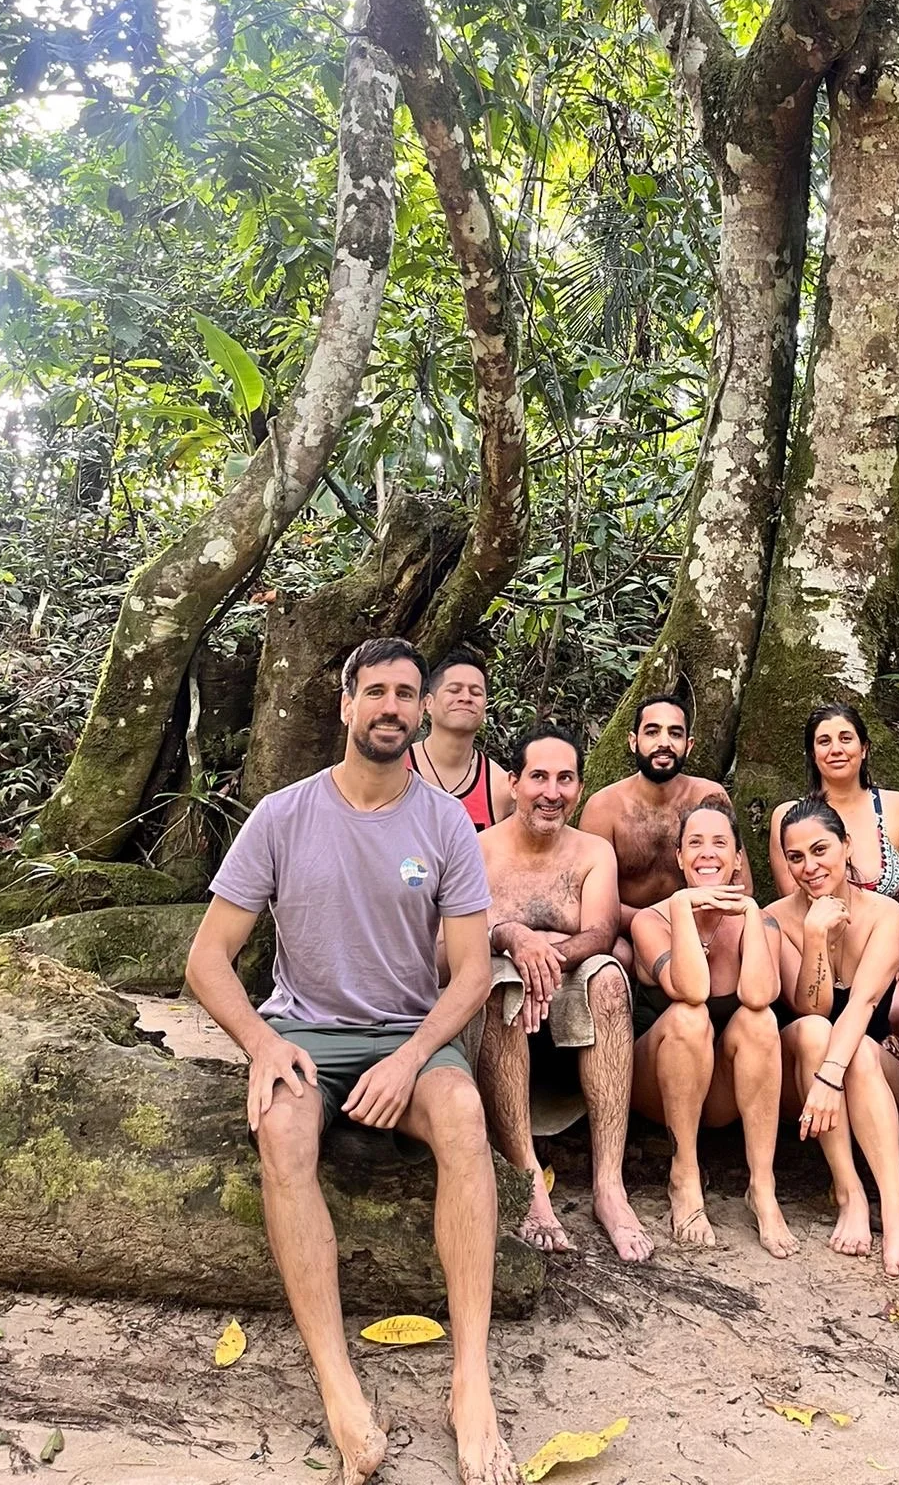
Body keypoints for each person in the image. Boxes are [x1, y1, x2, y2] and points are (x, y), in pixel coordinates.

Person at [185, 636, 517, 1485]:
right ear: (345, 705)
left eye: (407, 694)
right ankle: (339, 1387)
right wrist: (262, 1044)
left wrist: (411, 1058)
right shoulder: (283, 814)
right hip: (306, 1033)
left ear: (421, 710)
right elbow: (206, 959)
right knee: (284, 1130)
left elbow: (474, 970)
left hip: (410, 1030)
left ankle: (471, 1381)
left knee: (463, 1115)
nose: (392, 708)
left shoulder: (443, 821)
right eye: (376, 692)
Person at [474, 724, 653, 1263]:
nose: (552, 791)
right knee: (501, 981)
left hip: (569, 990)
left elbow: (601, 932)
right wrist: (514, 940)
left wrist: (543, 960)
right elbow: (465, 936)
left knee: (609, 978)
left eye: (566, 779)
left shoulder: (593, 851)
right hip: (497, 1008)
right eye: (539, 777)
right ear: (513, 783)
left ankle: (609, 1185)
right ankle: (530, 1183)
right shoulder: (477, 849)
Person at [630, 801, 799, 1259]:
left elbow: (762, 995)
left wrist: (747, 913)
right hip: (656, 1085)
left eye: (720, 843)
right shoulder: (651, 920)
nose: (708, 854)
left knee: (760, 1021)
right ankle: (683, 1173)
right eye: (696, 844)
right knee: (689, 1016)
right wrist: (685, 906)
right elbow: (691, 988)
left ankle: (762, 1186)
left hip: (719, 1092)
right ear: (680, 858)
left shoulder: (757, 920)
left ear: (739, 858)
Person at [767, 799, 899, 1280]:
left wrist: (830, 1078)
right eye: (796, 857)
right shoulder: (774, 918)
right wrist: (814, 936)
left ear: (846, 846)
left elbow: (863, 1005)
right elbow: (811, 1007)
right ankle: (849, 1192)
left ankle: (896, 1211)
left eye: (820, 850)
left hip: (871, 1065)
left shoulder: (885, 915)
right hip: (806, 1070)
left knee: (852, 1044)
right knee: (818, 1029)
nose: (810, 867)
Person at [767, 704, 899, 1039]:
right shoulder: (792, 819)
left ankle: (892, 1060)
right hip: (820, 949)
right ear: (811, 754)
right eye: (824, 741)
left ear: (864, 747)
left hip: (894, 947)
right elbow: (796, 895)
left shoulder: (897, 807)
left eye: (846, 738)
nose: (836, 749)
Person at [580, 691, 750, 932]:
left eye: (675, 733)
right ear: (633, 741)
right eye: (652, 732)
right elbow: (590, 901)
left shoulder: (709, 797)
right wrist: (652, 925)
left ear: (688, 745)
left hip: (701, 928)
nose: (664, 743)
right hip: (625, 932)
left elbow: (741, 886)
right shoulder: (603, 808)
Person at [408, 646, 513, 830]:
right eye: (454, 690)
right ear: (428, 703)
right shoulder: (396, 768)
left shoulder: (499, 786)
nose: (466, 698)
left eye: (476, 692)